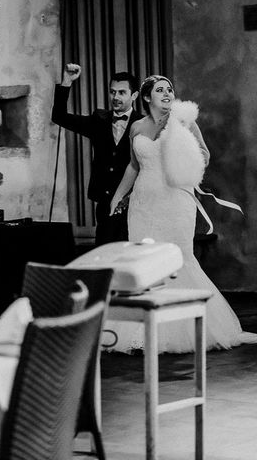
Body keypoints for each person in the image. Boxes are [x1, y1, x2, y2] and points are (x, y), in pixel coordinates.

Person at [107, 74, 257, 353]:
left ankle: (189, 329)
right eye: (160, 90)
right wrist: (118, 196)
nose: (166, 93)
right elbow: (133, 166)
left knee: (179, 259)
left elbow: (204, 155)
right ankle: (141, 333)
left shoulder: (184, 121)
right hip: (143, 203)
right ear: (146, 96)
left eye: (170, 89)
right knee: (145, 261)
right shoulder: (137, 126)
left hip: (175, 199)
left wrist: (180, 145)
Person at [52, 63, 142, 245]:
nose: (115, 97)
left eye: (122, 92)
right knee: (105, 257)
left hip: (136, 205)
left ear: (134, 95)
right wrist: (67, 81)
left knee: (133, 260)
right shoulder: (99, 121)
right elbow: (59, 117)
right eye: (112, 92)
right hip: (105, 204)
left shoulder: (143, 124)